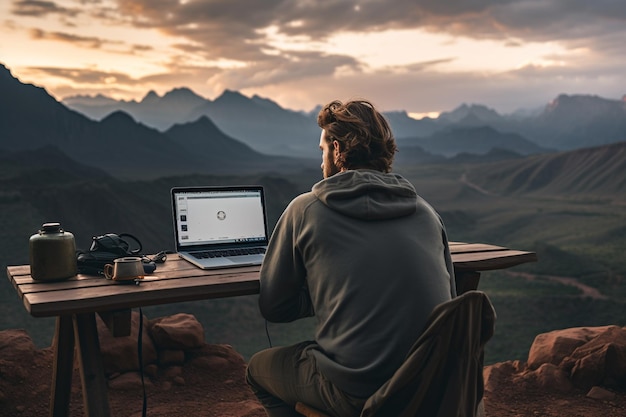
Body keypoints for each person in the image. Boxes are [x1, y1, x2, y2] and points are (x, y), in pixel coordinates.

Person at [246, 99, 456, 417]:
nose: (321, 163)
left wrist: (328, 294)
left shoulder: (304, 210)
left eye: (322, 150)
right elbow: (449, 301)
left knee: (258, 369)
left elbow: (274, 307)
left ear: (337, 148)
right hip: (430, 386)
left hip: (356, 389)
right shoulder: (427, 213)